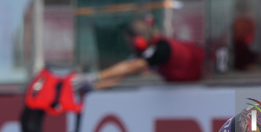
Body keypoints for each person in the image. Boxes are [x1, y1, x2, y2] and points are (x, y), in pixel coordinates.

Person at [73, 16, 204, 90]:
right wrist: (93, 87)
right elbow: (120, 76)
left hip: (204, 82)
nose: (130, 46)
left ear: (138, 40)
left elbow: (131, 67)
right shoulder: (148, 53)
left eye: (130, 42)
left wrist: (95, 77)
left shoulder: (163, 48)